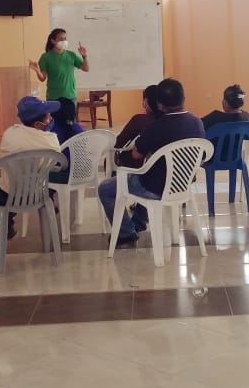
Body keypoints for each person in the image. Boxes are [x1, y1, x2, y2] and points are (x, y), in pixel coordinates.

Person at [97, 79, 205, 245]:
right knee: (149, 175)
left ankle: (126, 233)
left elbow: (136, 155)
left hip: (155, 187)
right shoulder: (197, 122)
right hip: (183, 184)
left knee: (105, 188)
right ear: (183, 99)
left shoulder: (155, 127)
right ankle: (138, 222)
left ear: (160, 104)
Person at [0, 97, 62, 239]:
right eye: (48, 117)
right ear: (38, 124)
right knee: (47, 180)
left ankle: (4, 228)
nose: (50, 119)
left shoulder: (10, 134)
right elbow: (55, 163)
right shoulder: (51, 140)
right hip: (39, 194)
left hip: (8, 194)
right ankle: (50, 205)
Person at [29, 28, 89, 126]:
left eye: (65, 39)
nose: (64, 41)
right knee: (55, 125)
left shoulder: (71, 55)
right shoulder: (46, 57)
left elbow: (86, 68)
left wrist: (84, 56)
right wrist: (37, 70)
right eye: (61, 39)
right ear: (53, 41)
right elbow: (42, 78)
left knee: (70, 125)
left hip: (70, 97)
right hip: (54, 98)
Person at [114, 85, 162, 168]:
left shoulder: (138, 120)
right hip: (161, 166)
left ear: (146, 101)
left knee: (110, 160)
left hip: (137, 167)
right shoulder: (170, 120)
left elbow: (119, 143)